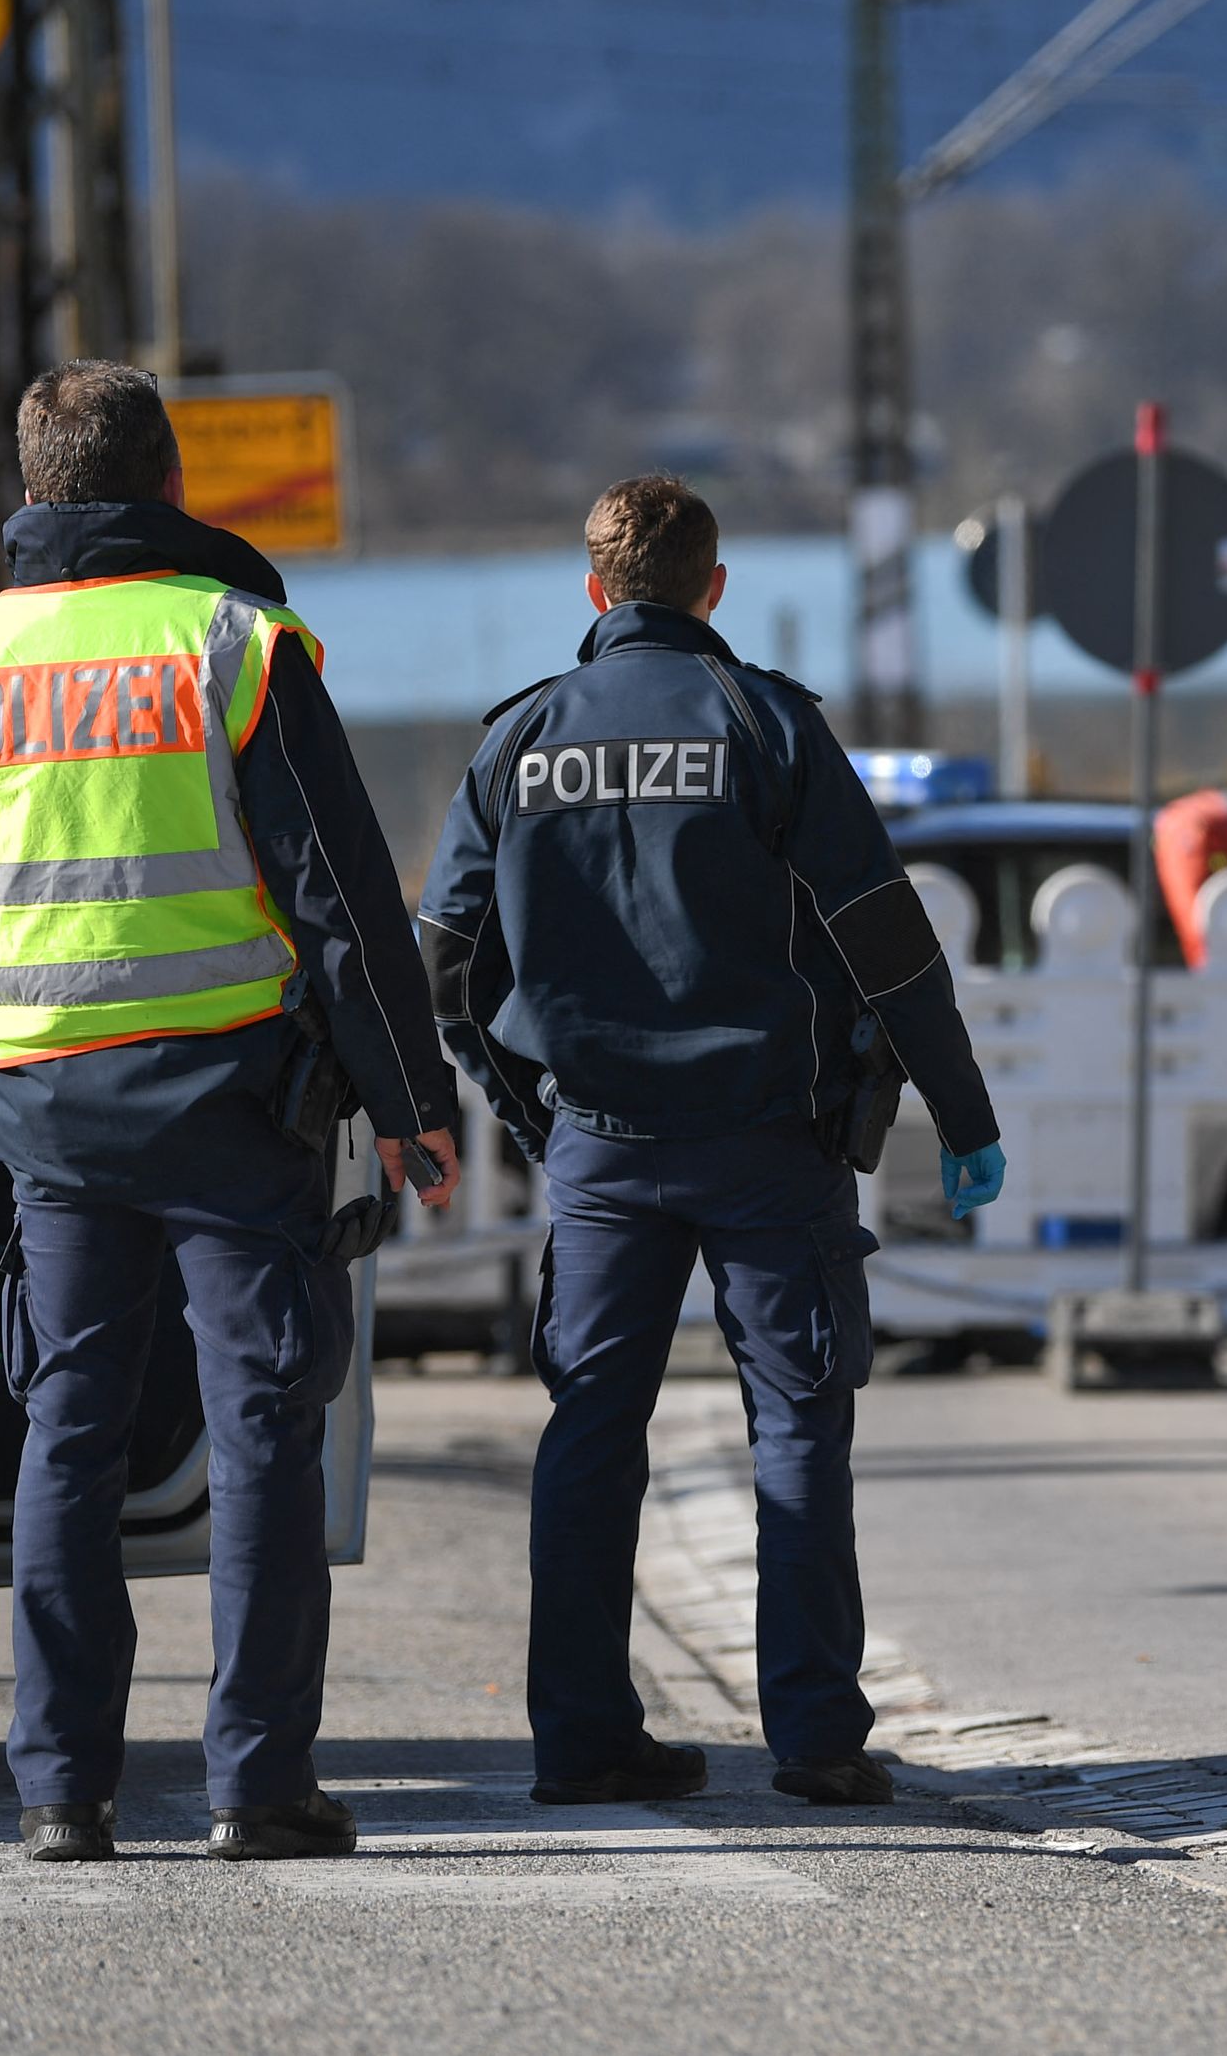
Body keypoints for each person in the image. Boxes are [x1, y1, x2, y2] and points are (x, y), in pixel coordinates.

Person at [0, 361, 460, 1869]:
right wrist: (410, 1101)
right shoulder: (233, 646)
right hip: (226, 1105)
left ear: (33, 484)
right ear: (170, 483)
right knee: (262, 1426)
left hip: (49, 1122)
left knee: (68, 1430)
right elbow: (341, 901)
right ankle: (259, 1781)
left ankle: (62, 1787)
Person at [417, 475, 1004, 1811]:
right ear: (714, 585)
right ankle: (815, 1736)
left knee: (587, 1437)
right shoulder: (768, 722)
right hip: (767, 1143)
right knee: (796, 1426)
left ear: (592, 589)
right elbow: (888, 937)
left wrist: (527, 1109)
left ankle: (578, 1735)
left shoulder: (519, 741)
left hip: (601, 1149)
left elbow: (443, 964)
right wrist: (962, 1117)